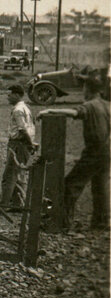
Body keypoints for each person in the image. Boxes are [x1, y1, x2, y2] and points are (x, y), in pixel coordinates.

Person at [45, 78, 110, 230]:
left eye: (84, 88)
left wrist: (50, 110)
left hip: (94, 152)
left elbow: (74, 112)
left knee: (70, 185)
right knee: (101, 187)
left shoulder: (89, 105)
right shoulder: (108, 105)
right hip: (108, 152)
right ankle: (101, 222)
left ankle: (63, 223)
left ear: (88, 89)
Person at [0, 84, 35, 210]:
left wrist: (30, 144)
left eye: (9, 95)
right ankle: (17, 203)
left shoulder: (18, 110)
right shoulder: (26, 108)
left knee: (9, 175)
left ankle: (3, 205)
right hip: (23, 143)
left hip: (18, 144)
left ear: (16, 95)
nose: (7, 97)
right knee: (18, 174)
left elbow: (23, 129)